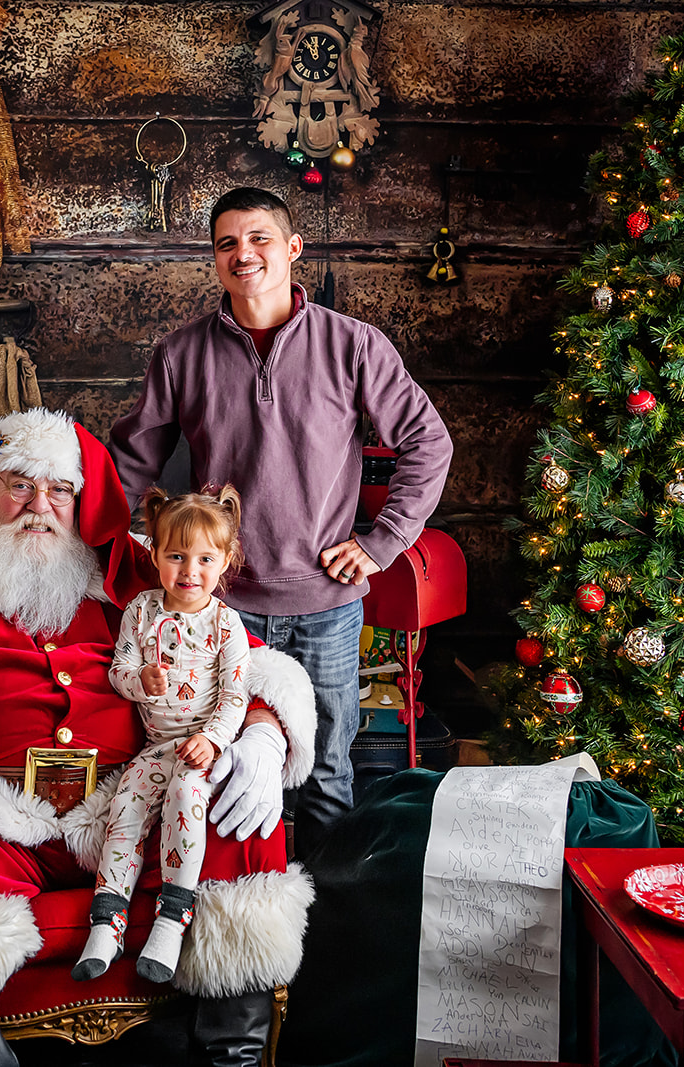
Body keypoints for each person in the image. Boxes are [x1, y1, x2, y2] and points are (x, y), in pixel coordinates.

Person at [0, 408, 316, 1067]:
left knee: (237, 818)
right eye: (19, 483)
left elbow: (248, 663)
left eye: (59, 489)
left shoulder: (134, 576)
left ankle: (233, 1058)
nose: (38, 505)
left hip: (126, 813)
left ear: (81, 499)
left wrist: (265, 733)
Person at [110, 186, 454, 858]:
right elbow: (130, 457)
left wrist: (382, 542)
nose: (244, 254)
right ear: (214, 260)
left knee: (326, 774)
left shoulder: (352, 345)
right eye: (227, 243)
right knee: (222, 766)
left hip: (326, 606)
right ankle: (234, 924)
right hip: (223, 608)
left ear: (293, 249)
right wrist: (156, 544)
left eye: (260, 238)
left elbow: (427, 441)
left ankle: (324, 938)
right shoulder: (182, 354)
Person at [74, 485, 254, 985]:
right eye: (176, 556)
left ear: (224, 561)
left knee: (185, 795)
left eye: (203, 559)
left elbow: (235, 695)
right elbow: (119, 668)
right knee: (124, 808)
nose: (189, 572)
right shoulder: (141, 612)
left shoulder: (226, 625)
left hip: (200, 747)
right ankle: (107, 920)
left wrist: (215, 739)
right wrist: (139, 681)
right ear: (154, 555)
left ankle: (173, 918)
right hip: (156, 747)